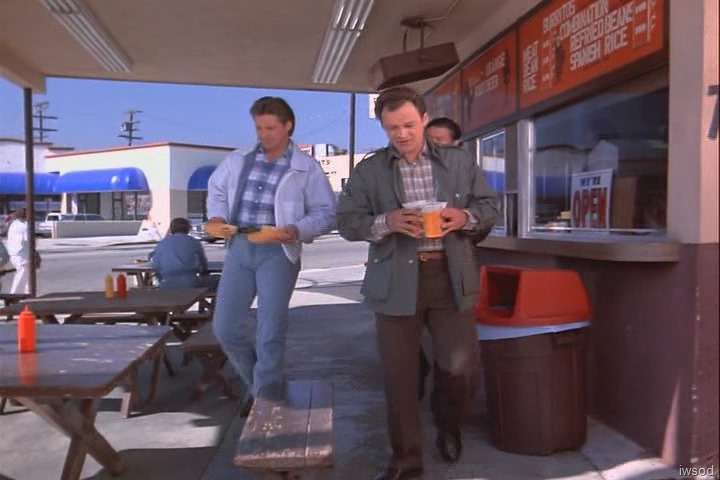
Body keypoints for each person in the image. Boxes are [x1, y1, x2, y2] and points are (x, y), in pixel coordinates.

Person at [337, 86, 498, 480]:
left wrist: (465, 218)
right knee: (400, 377)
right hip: (395, 279)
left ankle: (448, 423)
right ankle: (406, 460)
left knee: (459, 369)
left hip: (449, 276)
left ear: (424, 119)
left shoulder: (459, 161)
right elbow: (346, 221)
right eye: (392, 128)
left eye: (409, 124)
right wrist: (386, 222)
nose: (402, 134)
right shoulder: (370, 170)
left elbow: (489, 206)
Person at [207, 96, 336, 411]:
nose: (263, 135)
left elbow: (326, 212)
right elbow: (217, 190)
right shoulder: (238, 160)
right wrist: (216, 217)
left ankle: (266, 398)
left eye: (270, 128)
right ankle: (259, 383)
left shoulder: (306, 168)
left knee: (270, 330)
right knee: (224, 328)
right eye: (258, 128)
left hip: (278, 251)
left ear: (288, 126)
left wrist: (295, 229)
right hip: (239, 246)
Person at [415, 116, 465, 402]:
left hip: (450, 268)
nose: (431, 148)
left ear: (457, 144)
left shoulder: (466, 173)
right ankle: (418, 375)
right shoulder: (405, 171)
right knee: (409, 345)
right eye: (428, 141)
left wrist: (465, 218)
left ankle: (446, 410)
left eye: (440, 142)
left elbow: (487, 212)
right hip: (409, 266)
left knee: (456, 357)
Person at [148, 217, 217, 290]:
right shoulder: (194, 242)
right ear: (188, 229)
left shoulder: (162, 243)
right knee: (218, 280)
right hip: (191, 283)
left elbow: (155, 265)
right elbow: (203, 263)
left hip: (167, 285)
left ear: (171, 229)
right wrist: (202, 272)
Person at [6, 207, 32, 294]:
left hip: (13, 253)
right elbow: (28, 241)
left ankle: (28, 293)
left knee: (28, 274)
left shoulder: (14, 224)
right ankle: (14, 295)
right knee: (22, 273)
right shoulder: (25, 226)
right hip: (21, 254)